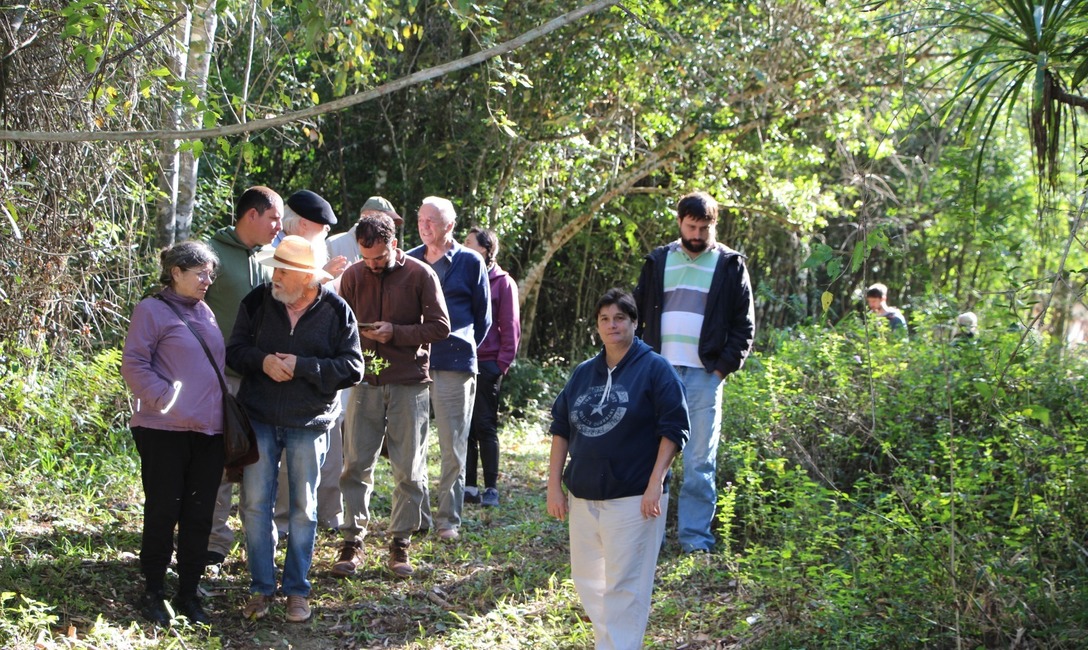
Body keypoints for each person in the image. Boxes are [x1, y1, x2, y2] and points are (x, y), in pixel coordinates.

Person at [227, 235, 364, 623]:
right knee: (254, 506)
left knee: (304, 510)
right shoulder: (256, 301)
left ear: (308, 278)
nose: (277, 277)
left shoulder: (337, 311)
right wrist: (262, 361)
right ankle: (260, 588)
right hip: (259, 418)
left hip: (310, 423)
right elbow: (233, 351)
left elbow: (353, 368)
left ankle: (297, 591)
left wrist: (303, 366)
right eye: (276, 268)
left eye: (285, 271)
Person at [546, 288, 689, 650]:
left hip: (634, 497)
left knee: (625, 587)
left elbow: (673, 428)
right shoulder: (583, 373)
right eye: (605, 319)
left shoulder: (656, 369)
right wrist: (554, 486)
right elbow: (562, 427)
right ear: (596, 325)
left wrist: (656, 482)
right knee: (587, 582)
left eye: (620, 318)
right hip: (584, 495)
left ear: (635, 322)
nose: (612, 325)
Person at [633, 190, 755, 554]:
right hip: (660, 373)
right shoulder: (658, 261)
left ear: (714, 225)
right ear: (679, 222)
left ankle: (694, 540)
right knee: (651, 457)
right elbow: (636, 315)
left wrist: (720, 370)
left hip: (705, 376)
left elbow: (743, 327)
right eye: (692, 226)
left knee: (700, 461)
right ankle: (647, 536)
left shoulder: (730, 265)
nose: (698, 234)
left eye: (704, 227)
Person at [334, 213, 451, 578]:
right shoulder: (352, 276)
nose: (372, 265)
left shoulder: (420, 274)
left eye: (379, 259)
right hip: (364, 381)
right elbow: (340, 325)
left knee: (409, 469)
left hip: (408, 382)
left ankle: (400, 543)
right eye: (365, 258)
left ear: (394, 245)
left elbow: (441, 327)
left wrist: (396, 332)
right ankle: (352, 542)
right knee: (355, 465)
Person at [120, 241, 227, 626]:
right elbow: (133, 362)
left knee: (199, 516)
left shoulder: (206, 311)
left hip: (209, 432)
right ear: (176, 273)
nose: (207, 280)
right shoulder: (151, 310)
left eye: (210, 274)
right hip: (163, 431)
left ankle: (188, 594)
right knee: (163, 511)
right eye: (200, 273)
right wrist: (163, 398)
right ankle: (153, 591)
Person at [204, 186, 283, 566]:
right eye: (274, 218)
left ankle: (260, 547)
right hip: (222, 381)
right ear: (251, 215)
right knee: (220, 465)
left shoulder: (272, 257)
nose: (279, 226)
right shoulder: (211, 255)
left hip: (265, 380)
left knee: (261, 464)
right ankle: (214, 544)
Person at [407, 196, 491, 541]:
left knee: (453, 445)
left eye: (433, 221)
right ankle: (417, 516)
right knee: (412, 445)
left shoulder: (471, 262)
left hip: (455, 363)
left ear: (450, 226)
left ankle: (448, 520)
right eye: (421, 220)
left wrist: (461, 343)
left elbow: (482, 318)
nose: (425, 226)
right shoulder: (409, 260)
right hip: (414, 364)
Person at [271, 190, 349, 538]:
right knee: (278, 460)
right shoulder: (275, 252)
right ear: (304, 223)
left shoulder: (318, 251)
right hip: (278, 372)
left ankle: (321, 516)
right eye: (321, 227)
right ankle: (282, 523)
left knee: (322, 449)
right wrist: (322, 277)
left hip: (319, 373)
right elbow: (281, 302)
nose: (325, 233)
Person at [463, 226, 521, 507]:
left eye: (469, 242)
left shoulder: (503, 282)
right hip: (463, 362)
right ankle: (469, 486)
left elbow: (510, 327)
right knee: (467, 427)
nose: (463, 246)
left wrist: (501, 364)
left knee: (485, 425)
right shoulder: (465, 276)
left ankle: (491, 488)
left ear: (485, 249)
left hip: (489, 363)